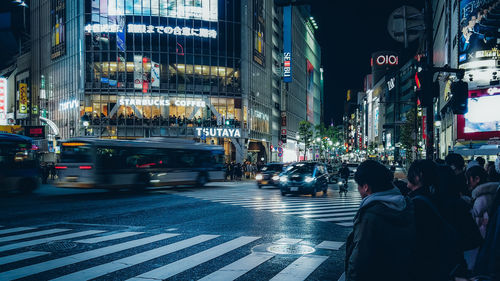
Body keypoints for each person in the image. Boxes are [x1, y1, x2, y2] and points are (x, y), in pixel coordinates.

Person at [345, 160, 416, 281]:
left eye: (359, 186)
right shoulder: (405, 204)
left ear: (366, 187)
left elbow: (360, 259)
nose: (358, 190)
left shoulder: (371, 215)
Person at [407, 160, 471, 281]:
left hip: (423, 267)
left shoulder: (414, 203)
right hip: (446, 267)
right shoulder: (444, 200)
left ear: (418, 176)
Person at [467, 165, 498, 238]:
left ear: (477, 179)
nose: (467, 182)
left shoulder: (481, 200)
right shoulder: (492, 193)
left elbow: (476, 224)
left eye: (469, 179)